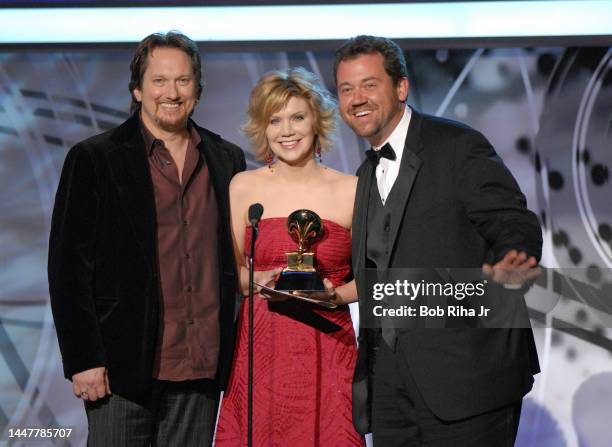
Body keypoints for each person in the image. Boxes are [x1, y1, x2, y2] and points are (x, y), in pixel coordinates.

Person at [334, 35, 542, 446]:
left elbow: (511, 220)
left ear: (401, 87)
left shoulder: (456, 145)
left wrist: (513, 261)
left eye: (369, 84)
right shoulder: (363, 175)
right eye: (346, 89)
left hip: (468, 375)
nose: (357, 98)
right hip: (389, 382)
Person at [47, 31, 245, 446]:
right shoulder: (94, 158)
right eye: (159, 81)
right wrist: (84, 360)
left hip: (201, 369)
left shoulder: (226, 158)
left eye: (183, 81)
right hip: (121, 370)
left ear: (198, 89)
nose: (171, 93)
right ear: (137, 89)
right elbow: (68, 269)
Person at [215, 68, 364, 446]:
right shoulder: (243, 187)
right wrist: (263, 279)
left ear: (316, 120)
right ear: (262, 129)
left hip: (329, 345)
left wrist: (336, 296)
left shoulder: (352, 190)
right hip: (262, 347)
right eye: (275, 120)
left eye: (297, 117)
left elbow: (373, 275)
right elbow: (231, 272)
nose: (287, 130)